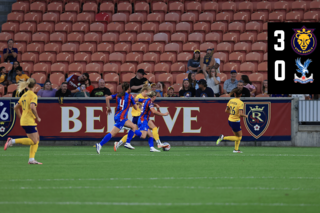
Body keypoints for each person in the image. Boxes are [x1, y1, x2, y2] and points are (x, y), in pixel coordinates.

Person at [115, 84, 169, 150]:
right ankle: (159, 143)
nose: (149, 94)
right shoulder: (139, 96)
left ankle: (119, 143)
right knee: (153, 128)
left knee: (142, 134)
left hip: (138, 117)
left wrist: (154, 104)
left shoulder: (145, 98)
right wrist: (137, 104)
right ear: (145, 91)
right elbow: (135, 100)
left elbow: (145, 102)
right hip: (139, 116)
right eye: (149, 92)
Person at [4, 78, 42, 164]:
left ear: (27, 86)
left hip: (25, 120)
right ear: (35, 86)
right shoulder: (33, 95)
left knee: (37, 139)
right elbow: (32, 107)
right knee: (34, 141)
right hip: (29, 121)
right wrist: (38, 117)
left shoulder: (24, 95)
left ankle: (31, 159)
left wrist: (21, 117)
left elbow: (15, 107)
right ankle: (12, 141)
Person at [95, 83, 141, 154]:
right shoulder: (130, 96)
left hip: (118, 116)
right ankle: (100, 144)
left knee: (133, 126)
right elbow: (135, 107)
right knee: (112, 134)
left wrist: (108, 108)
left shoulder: (117, 95)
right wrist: (136, 103)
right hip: (121, 118)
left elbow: (107, 98)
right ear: (128, 89)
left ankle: (127, 143)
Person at [216, 88, 248, 153]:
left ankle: (236, 150)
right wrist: (246, 116)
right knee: (239, 137)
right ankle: (223, 137)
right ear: (241, 95)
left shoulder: (231, 100)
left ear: (235, 94)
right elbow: (240, 114)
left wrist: (233, 112)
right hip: (235, 121)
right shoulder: (241, 103)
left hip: (230, 120)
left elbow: (226, 110)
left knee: (237, 136)